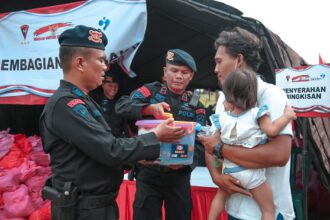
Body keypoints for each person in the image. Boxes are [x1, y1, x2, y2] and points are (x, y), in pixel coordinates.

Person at [39, 25, 185, 220]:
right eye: (100, 60)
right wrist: (156, 137)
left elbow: (101, 149)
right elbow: (109, 149)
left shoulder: (83, 101)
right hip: (82, 210)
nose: (105, 67)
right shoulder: (65, 105)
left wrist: (138, 158)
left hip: (96, 207)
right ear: (80, 63)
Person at [199, 27, 295, 220]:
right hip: (235, 209)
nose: (215, 69)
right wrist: (217, 177)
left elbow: (279, 155)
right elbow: (211, 143)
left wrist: (220, 148)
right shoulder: (223, 99)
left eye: (219, 61)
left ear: (239, 60)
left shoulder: (270, 94)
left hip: (268, 212)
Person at [116, 49, 206, 220]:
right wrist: (147, 108)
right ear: (165, 72)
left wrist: (187, 165)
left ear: (191, 76)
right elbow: (121, 106)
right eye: (174, 70)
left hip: (179, 177)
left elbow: (201, 140)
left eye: (184, 72)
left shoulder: (196, 102)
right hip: (148, 173)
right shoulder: (149, 91)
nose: (179, 76)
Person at [95, 69, 130, 138]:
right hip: (102, 140)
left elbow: (125, 125)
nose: (113, 88)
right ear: (103, 85)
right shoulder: (96, 103)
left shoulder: (120, 104)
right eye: (110, 85)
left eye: (116, 86)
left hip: (118, 141)